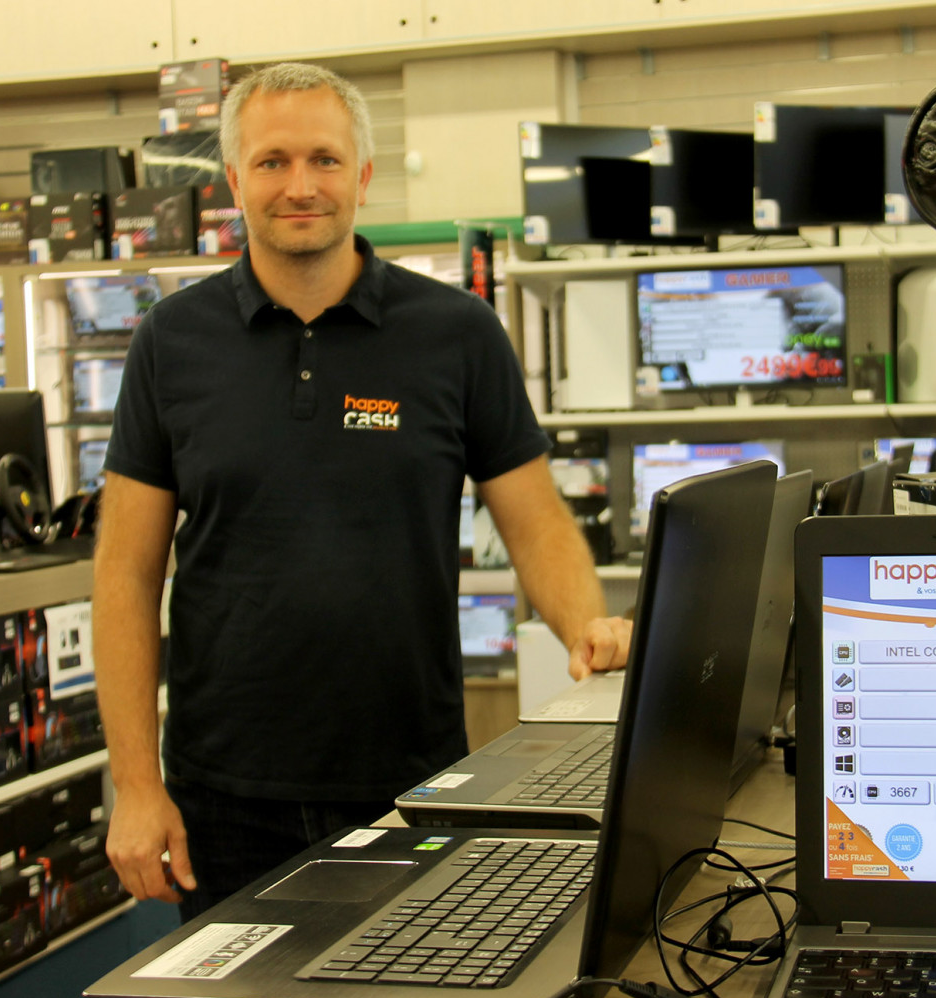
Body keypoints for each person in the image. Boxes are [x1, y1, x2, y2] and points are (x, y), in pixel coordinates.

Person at [91, 61, 633, 922]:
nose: (299, 185)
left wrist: (589, 627)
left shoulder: (456, 334)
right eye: (271, 162)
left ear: (363, 176)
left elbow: (535, 522)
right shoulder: (172, 342)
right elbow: (123, 575)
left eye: (324, 159)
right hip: (222, 798)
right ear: (234, 179)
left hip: (410, 780)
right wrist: (134, 783)